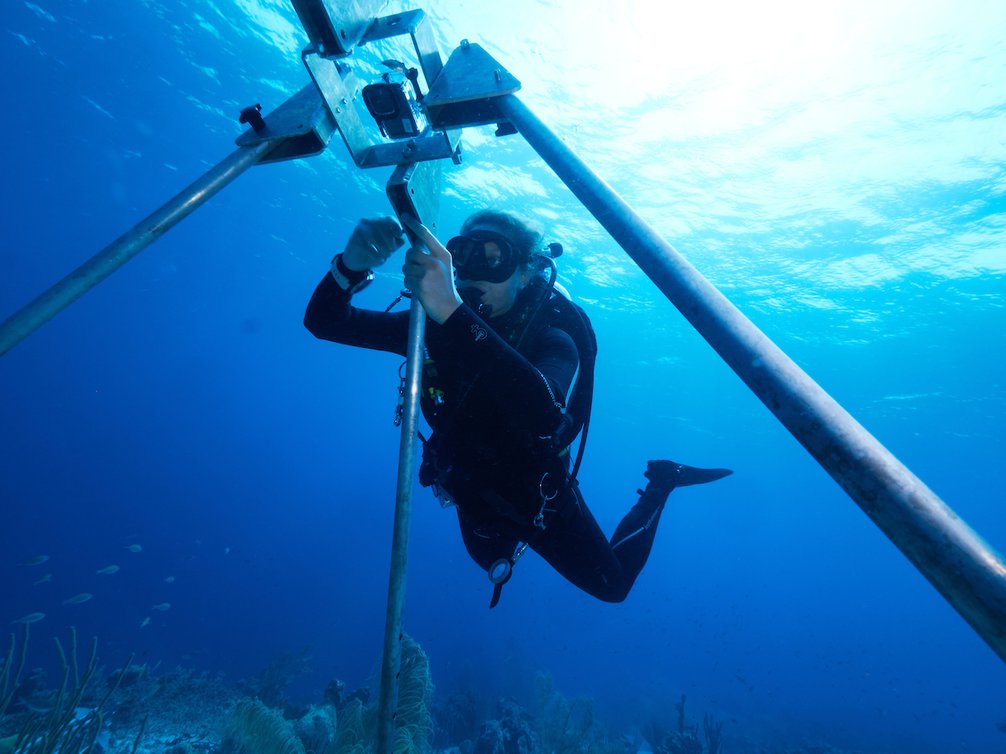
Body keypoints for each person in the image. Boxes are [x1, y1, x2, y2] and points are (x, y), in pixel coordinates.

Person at [304, 209, 731, 606]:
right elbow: (326, 322)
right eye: (464, 256)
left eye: (495, 259)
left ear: (526, 274)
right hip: (467, 488)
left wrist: (451, 310)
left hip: (537, 496)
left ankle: (662, 482)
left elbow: (546, 411)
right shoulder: (432, 328)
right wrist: (351, 266)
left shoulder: (552, 336)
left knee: (613, 587)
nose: (475, 272)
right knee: (488, 558)